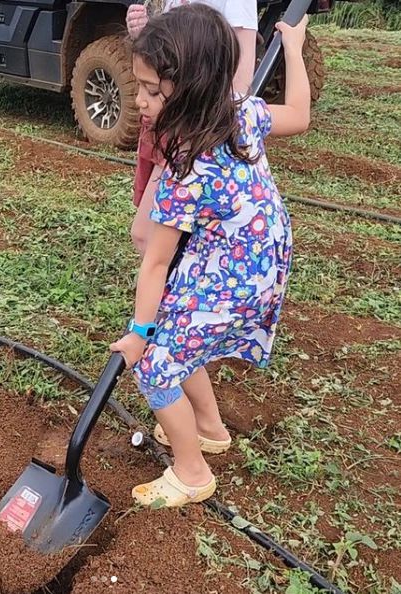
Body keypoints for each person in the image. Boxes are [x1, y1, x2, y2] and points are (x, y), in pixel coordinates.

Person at [111, 4, 310, 508]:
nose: (141, 100)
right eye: (139, 85)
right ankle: (210, 429)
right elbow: (300, 116)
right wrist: (293, 48)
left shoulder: (185, 170)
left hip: (233, 275)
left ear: (194, 86)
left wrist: (138, 333)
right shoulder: (240, 111)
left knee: (155, 365)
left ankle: (191, 472)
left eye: (154, 91)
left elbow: (155, 262)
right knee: (174, 329)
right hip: (258, 261)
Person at [126, 0, 259, 256]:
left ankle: (169, 289)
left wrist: (204, 132)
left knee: (151, 236)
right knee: (148, 234)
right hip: (173, 123)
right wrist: (145, 35)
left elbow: (240, 79)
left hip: (194, 130)